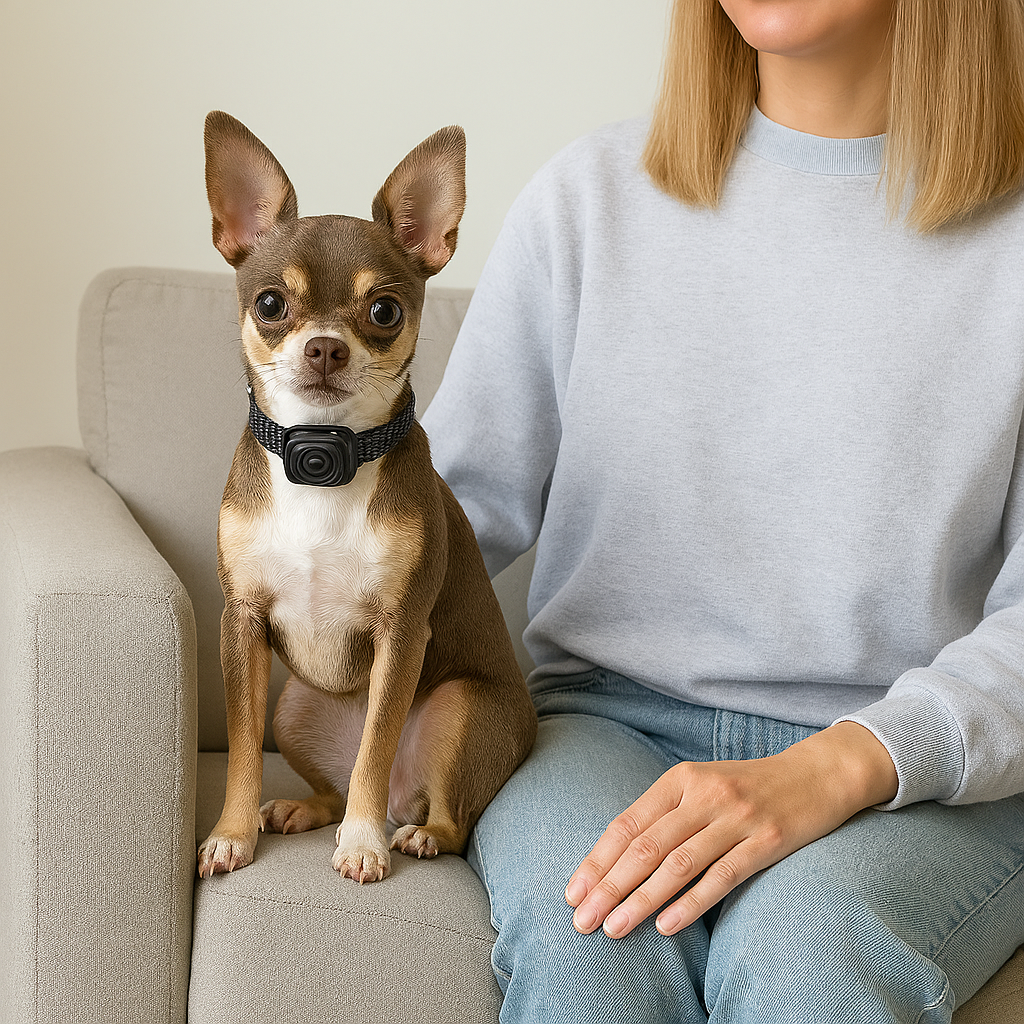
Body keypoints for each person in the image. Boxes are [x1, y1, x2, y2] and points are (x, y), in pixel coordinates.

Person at [420, 0, 1024, 1020]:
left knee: (809, 952)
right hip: (604, 724)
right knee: (590, 937)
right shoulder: (585, 201)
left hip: (910, 763)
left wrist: (844, 765)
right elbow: (444, 523)